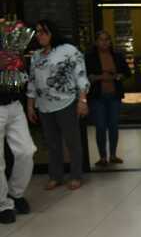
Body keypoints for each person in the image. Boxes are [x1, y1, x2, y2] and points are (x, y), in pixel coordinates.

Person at [26, 19, 89, 191]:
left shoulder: (68, 50)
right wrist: (30, 105)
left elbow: (81, 76)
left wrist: (82, 100)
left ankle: (76, 175)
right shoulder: (36, 56)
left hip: (66, 103)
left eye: (42, 32)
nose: (39, 35)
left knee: (72, 142)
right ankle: (56, 176)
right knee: (52, 144)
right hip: (44, 106)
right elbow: (32, 82)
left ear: (52, 32)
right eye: (37, 32)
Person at [0, 24, 35, 224]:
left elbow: (21, 70)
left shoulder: (9, 36)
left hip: (14, 103)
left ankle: (15, 193)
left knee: (26, 151)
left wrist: (17, 62)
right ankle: (3, 204)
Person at [84, 30, 131, 167]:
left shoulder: (117, 56)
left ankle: (113, 155)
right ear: (96, 42)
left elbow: (127, 72)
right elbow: (86, 76)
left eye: (107, 39)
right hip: (97, 97)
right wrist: (99, 77)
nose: (104, 42)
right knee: (100, 126)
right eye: (101, 40)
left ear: (110, 42)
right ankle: (102, 157)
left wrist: (119, 76)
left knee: (113, 126)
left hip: (114, 96)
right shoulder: (89, 57)